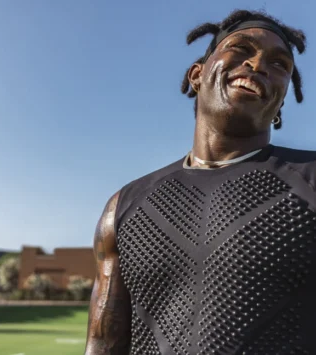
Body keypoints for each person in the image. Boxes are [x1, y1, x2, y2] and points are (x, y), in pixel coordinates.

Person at [85, 9, 316, 355]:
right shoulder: (124, 206)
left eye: (280, 64)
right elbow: (102, 343)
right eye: (240, 49)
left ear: (281, 100)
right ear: (197, 74)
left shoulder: (309, 180)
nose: (258, 65)